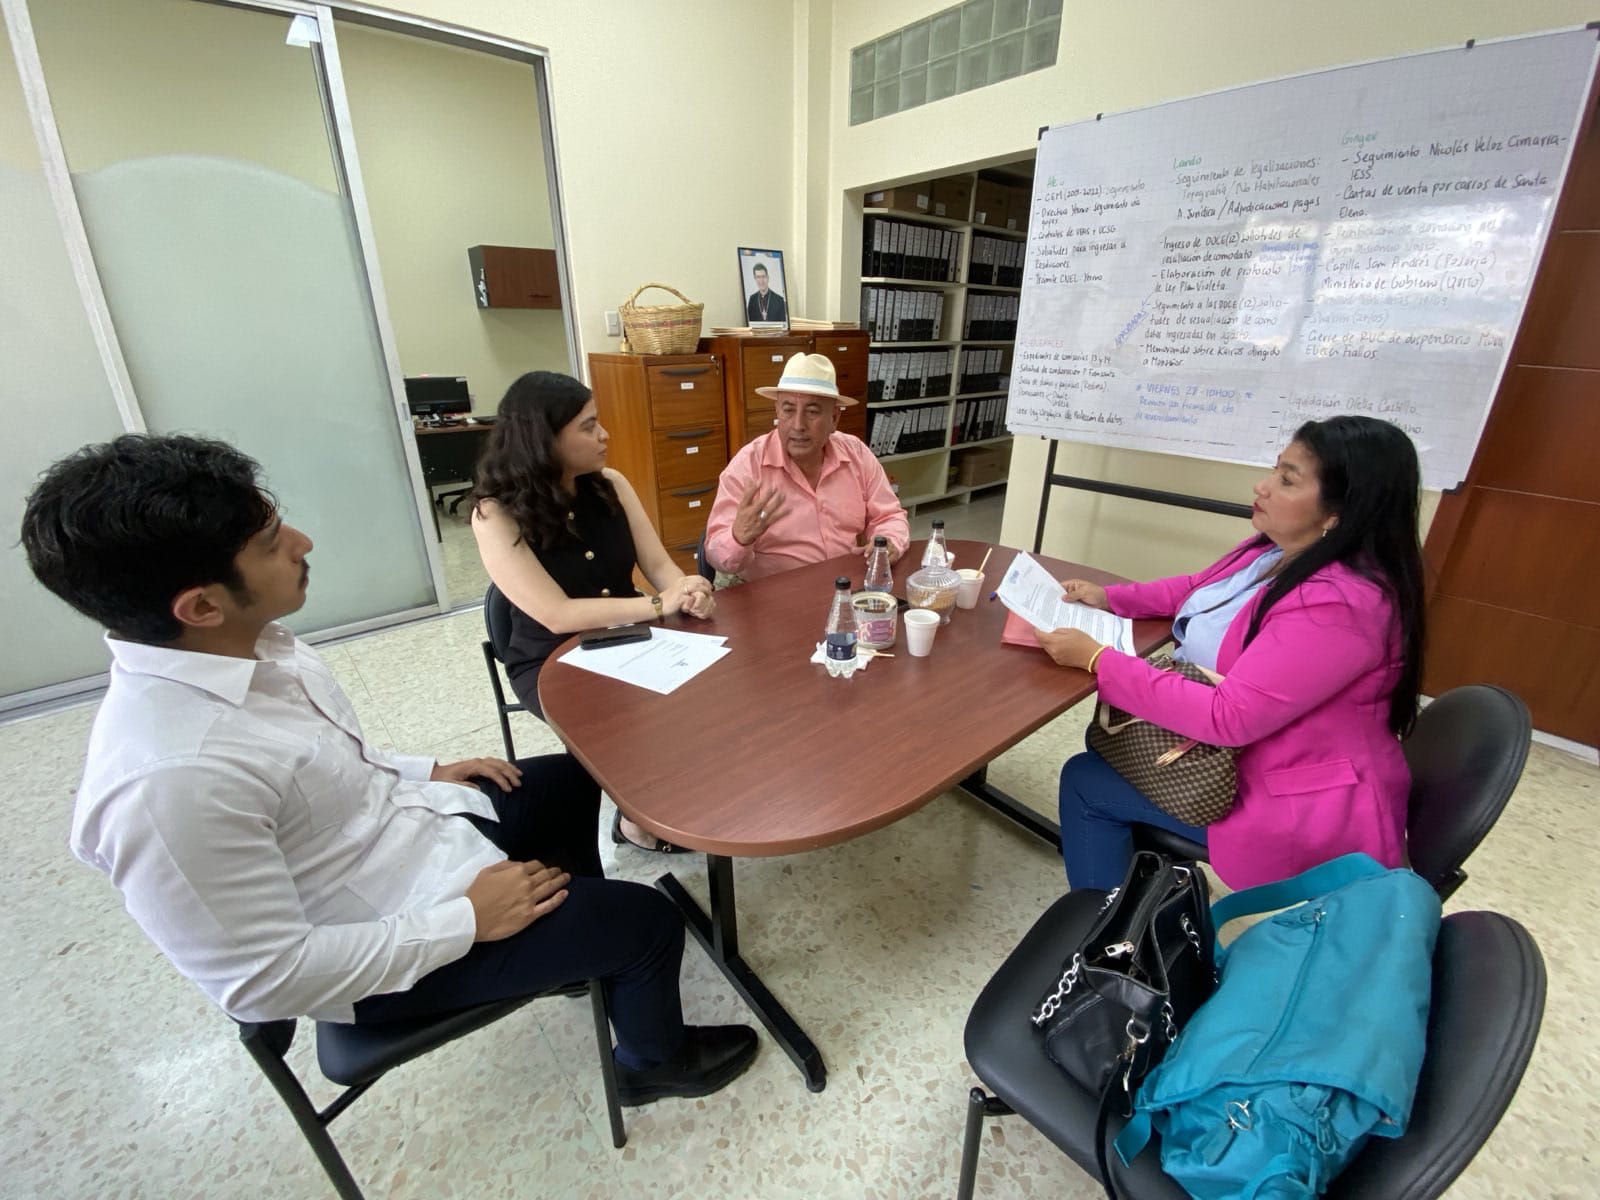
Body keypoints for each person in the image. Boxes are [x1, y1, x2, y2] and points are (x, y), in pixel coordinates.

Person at [22, 434, 757, 1105]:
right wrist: (466, 921)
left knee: (571, 780)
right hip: (381, 946)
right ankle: (651, 1062)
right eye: (273, 543)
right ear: (201, 605)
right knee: (647, 921)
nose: (303, 543)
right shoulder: (164, 785)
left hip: (409, 833)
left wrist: (423, 769)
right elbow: (264, 979)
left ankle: (573, 952)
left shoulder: (257, 646)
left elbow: (318, 763)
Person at [1036, 415, 1426, 892]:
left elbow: (1228, 717)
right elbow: (1198, 588)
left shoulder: (1341, 604)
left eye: (1287, 480)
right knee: (1109, 759)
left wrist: (1099, 660)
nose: (1263, 486)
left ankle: (1109, 932)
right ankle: (1146, 891)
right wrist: (1111, 598)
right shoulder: (1274, 550)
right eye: (1275, 469)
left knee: (1086, 780)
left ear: (1338, 513)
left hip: (1294, 802)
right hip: (1241, 753)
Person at [470, 370, 715, 853]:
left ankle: (676, 794)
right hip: (552, 656)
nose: (604, 435)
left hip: (632, 635)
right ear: (544, 439)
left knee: (707, 686)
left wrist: (686, 589)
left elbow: (659, 566)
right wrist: (656, 603)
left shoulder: (610, 485)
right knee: (613, 718)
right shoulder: (494, 513)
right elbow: (556, 615)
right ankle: (636, 822)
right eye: (588, 426)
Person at [703, 352, 909, 583]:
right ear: (777, 411)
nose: (798, 425)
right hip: (768, 593)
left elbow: (889, 515)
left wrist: (889, 541)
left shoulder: (857, 455)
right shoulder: (748, 466)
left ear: (834, 418)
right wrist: (737, 539)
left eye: (812, 411)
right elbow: (715, 553)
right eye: (788, 410)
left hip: (843, 586)